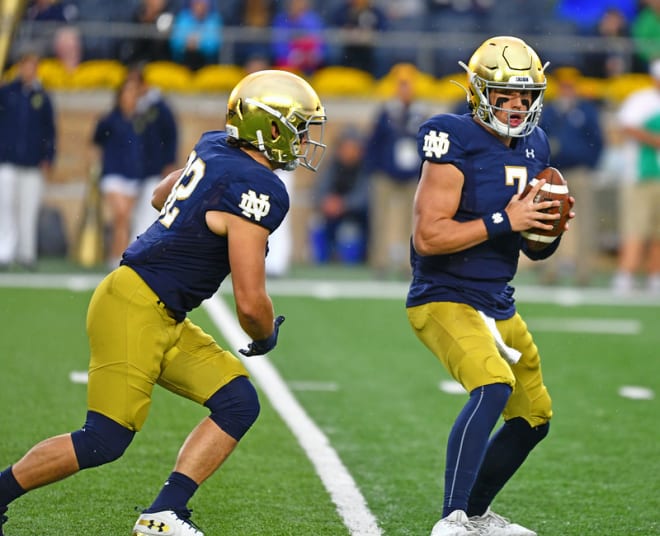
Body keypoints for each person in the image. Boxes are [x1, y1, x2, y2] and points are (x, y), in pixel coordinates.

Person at [0, 69, 327, 536]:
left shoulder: (216, 145)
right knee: (104, 440)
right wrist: (266, 333)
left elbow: (158, 196)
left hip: (159, 310)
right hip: (135, 306)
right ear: (270, 129)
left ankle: (165, 511)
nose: (302, 141)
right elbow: (251, 303)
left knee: (237, 401)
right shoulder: (261, 189)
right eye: (298, 127)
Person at [406, 36, 574, 536]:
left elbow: (528, 246)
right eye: (505, 94)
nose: (517, 105)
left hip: (497, 300)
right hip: (444, 296)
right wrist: (509, 216)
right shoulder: (450, 136)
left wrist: (546, 229)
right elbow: (428, 236)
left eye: (526, 95)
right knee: (492, 384)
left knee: (535, 416)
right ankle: (451, 519)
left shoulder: (536, 144)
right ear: (480, 92)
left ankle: (476, 516)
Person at [538, 66, 604, 285]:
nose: (567, 90)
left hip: (579, 171)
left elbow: (597, 140)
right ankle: (550, 270)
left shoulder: (586, 110)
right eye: (564, 86)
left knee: (585, 222)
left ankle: (584, 270)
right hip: (555, 172)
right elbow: (538, 138)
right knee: (549, 222)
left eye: (570, 86)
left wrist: (589, 164)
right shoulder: (547, 111)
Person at [364, 63, 427, 278]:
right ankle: (380, 262)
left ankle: (409, 264)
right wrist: (375, 169)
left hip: (412, 176)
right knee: (380, 219)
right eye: (401, 85)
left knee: (413, 222)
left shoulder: (421, 113)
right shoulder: (386, 112)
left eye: (408, 85)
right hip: (386, 173)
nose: (405, 89)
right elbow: (374, 143)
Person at [0, 48, 56, 270]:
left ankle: (26, 253)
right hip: (7, 160)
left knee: (29, 207)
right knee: (5, 206)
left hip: (32, 162)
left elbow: (49, 131)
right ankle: (4, 251)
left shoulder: (42, 97)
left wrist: (48, 156)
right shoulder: (7, 93)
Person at [611, 58, 660, 295]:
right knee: (636, 227)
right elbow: (626, 126)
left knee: (657, 230)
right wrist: (654, 140)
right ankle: (626, 273)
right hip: (640, 174)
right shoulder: (641, 100)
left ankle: (655, 275)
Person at [92, 77, 144, 269]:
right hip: (113, 173)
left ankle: (118, 257)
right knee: (120, 214)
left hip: (132, 175)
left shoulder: (140, 121)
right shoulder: (109, 120)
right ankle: (118, 258)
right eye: (127, 93)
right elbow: (96, 143)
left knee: (124, 220)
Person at [128, 66, 180, 241]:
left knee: (149, 210)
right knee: (138, 212)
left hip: (156, 167)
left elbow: (171, 135)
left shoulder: (159, 108)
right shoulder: (139, 108)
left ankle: (141, 243)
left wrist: (169, 162)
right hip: (141, 168)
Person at [310, 125, 369, 264]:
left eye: (353, 147)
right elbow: (319, 190)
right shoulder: (331, 165)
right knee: (318, 223)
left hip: (356, 216)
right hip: (331, 214)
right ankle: (324, 261)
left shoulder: (365, 167)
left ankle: (356, 261)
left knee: (353, 230)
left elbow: (364, 197)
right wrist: (327, 202)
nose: (348, 152)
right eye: (345, 147)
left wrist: (343, 204)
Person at [169, 0, 222, 71]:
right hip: (184, 60)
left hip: (207, 64)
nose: (199, 7)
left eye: (202, 5)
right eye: (197, 4)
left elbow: (214, 45)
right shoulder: (183, 17)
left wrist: (199, 44)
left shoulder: (214, 19)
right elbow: (175, 42)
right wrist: (186, 43)